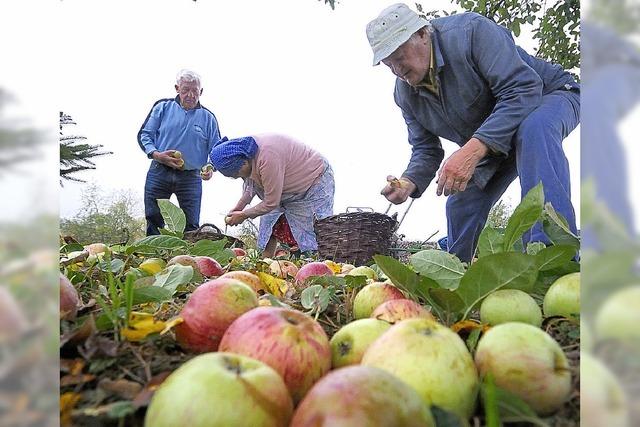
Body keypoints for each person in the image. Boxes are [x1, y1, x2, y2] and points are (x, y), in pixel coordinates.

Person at [367, 3, 580, 262]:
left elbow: (523, 89)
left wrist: (472, 150)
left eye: (399, 56)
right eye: (389, 64)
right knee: (461, 200)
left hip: (550, 95)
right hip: (497, 138)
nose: (398, 70)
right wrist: (409, 181)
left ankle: (553, 260)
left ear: (423, 33)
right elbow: (426, 149)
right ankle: (454, 274)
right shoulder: (405, 95)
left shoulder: (470, 32)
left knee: (535, 129)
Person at [209, 133, 335, 257]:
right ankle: (265, 262)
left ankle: (315, 264)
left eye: (236, 174)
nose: (237, 178)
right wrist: (238, 208)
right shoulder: (245, 153)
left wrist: (244, 215)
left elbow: (271, 202)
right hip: (282, 188)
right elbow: (251, 186)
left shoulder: (268, 158)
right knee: (269, 222)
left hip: (313, 182)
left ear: (244, 163)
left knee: (311, 233)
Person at [137, 69, 221, 235]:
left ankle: (187, 259)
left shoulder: (208, 118)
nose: (190, 95)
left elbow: (217, 150)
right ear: (177, 88)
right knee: (154, 218)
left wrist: (211, 167)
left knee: (191, 224)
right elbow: (144, 135)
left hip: (191, 177)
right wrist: (156, 154)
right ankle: (153, 256)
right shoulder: (162, 107)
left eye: (194, 91)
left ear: (201, 91)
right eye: (185, 90)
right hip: (159, 171)